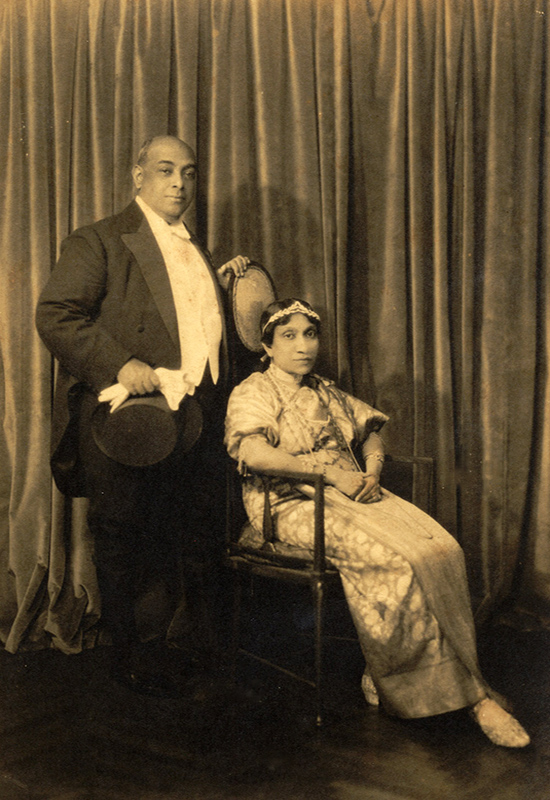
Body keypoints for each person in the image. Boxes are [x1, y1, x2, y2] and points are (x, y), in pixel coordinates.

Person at [224, 297, 530, 748]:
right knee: (392, 559)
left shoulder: (326, 390)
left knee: (442, 548)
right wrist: (329, 474)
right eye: (288, 336)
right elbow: (252, 453)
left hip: (353, 489)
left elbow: (370, 432)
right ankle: (464, 699)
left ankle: (450, 675)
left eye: (310, 334)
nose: (303, 346)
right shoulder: (254, 390)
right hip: (286, 503)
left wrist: (373, 471)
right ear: (267, 347)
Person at [36, 135, 250, 696]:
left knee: (201, 536)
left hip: (197, 419)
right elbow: (56, 314)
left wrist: (233, 292)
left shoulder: (199, 251)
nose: (179, 182)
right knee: (122, 536)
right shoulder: (99, 240)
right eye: (165, 170)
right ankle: (124, 664)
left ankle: (205, 659)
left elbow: (194, 326)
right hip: (129, 421)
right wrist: (119, 361)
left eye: (189, 172)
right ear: (138, 177)